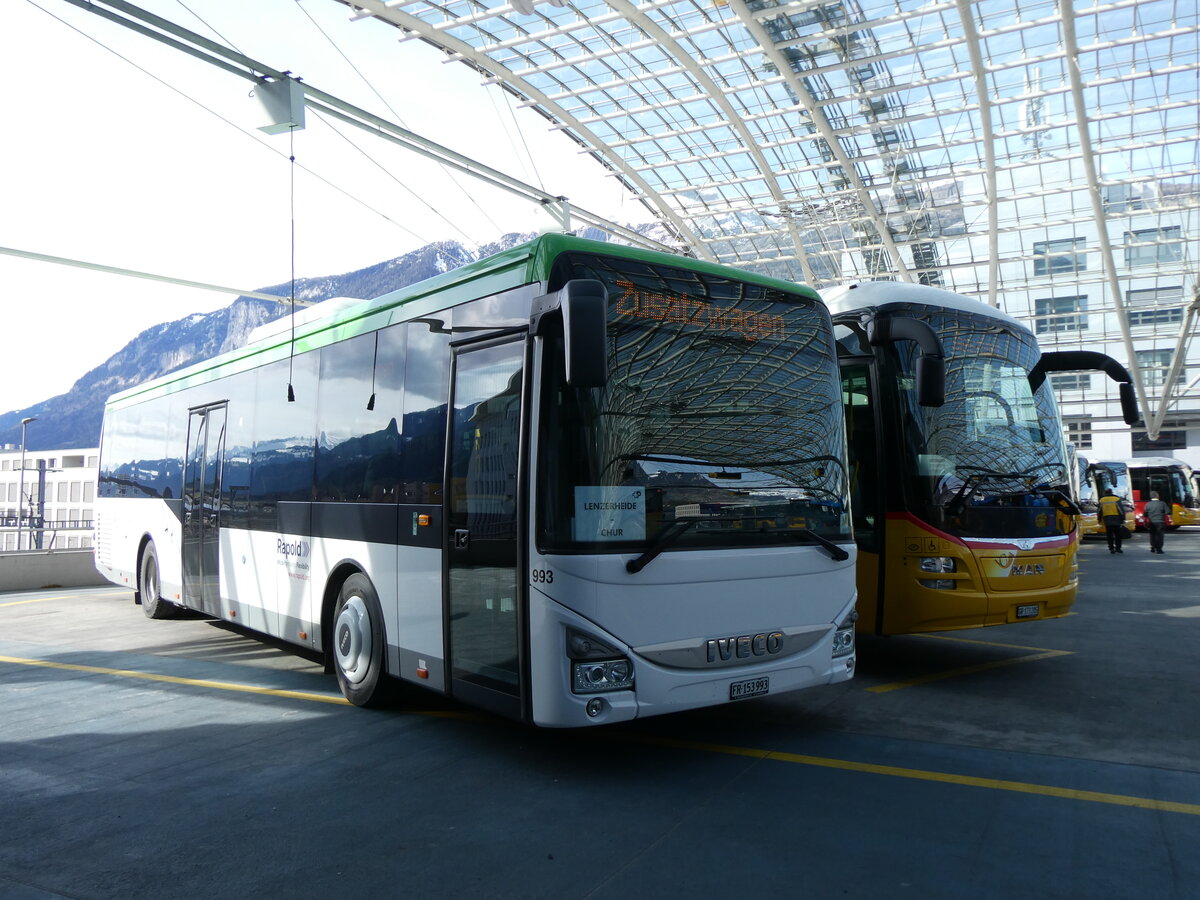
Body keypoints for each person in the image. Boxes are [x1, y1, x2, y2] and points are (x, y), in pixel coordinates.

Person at [1098, 487, 1125, 554]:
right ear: (1111, 492)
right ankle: (1118, 548)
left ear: (1105, 493)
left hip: (1107, 518)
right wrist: (1123, 518)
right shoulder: (1116, 499)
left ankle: (1111, 548)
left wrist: (1099, 519)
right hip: (1117, 518)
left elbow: (1099, 511)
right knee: (1118, 534)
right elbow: (1121, 510)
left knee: (1109, 534)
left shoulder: (1102, 500)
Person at [1143, 490, 1170, 554]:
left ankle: (1153, 547)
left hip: (1151, 522)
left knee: (1152, 535)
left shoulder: (1148, 504)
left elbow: (1145, 514)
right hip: (1160, 522)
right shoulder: (1162, 503)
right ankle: (1159, 549)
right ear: (1157, 496)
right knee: (1160, 536)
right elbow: (1168, 512)